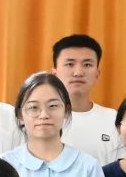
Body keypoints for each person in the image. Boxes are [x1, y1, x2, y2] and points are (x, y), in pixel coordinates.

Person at [52, 33, 121, 165]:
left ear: (97, 73)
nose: (78, 72)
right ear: (54, 74)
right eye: (70, 64)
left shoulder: (114, 119)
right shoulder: (39, 119)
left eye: (87, 65)